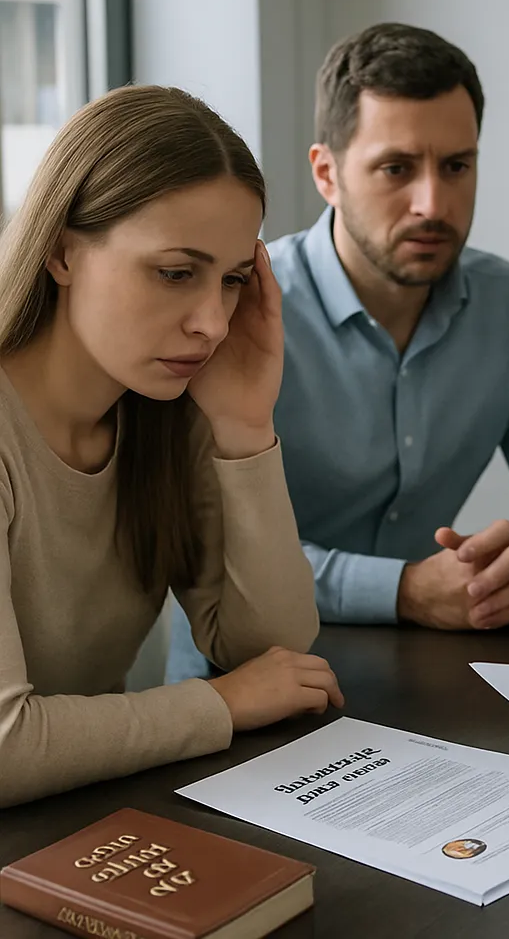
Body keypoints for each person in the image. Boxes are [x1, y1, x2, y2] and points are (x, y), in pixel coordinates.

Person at [165, 22, 509, 681]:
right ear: (327, 173)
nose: (432, 203)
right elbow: (205, 550)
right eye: (397, 168)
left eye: (457, 166)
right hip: (236, 685)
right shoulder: (236, 310)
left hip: (422, 677)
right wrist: (403, 588)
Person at [0, 84, 342, 808]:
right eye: (176, 274)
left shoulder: (161, 409)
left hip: (75, 819)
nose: (212, 324)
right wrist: (220, 706)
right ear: (62, 253)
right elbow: (5, 747)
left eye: (232, 282)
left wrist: (248, 429)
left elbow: (270, 651)